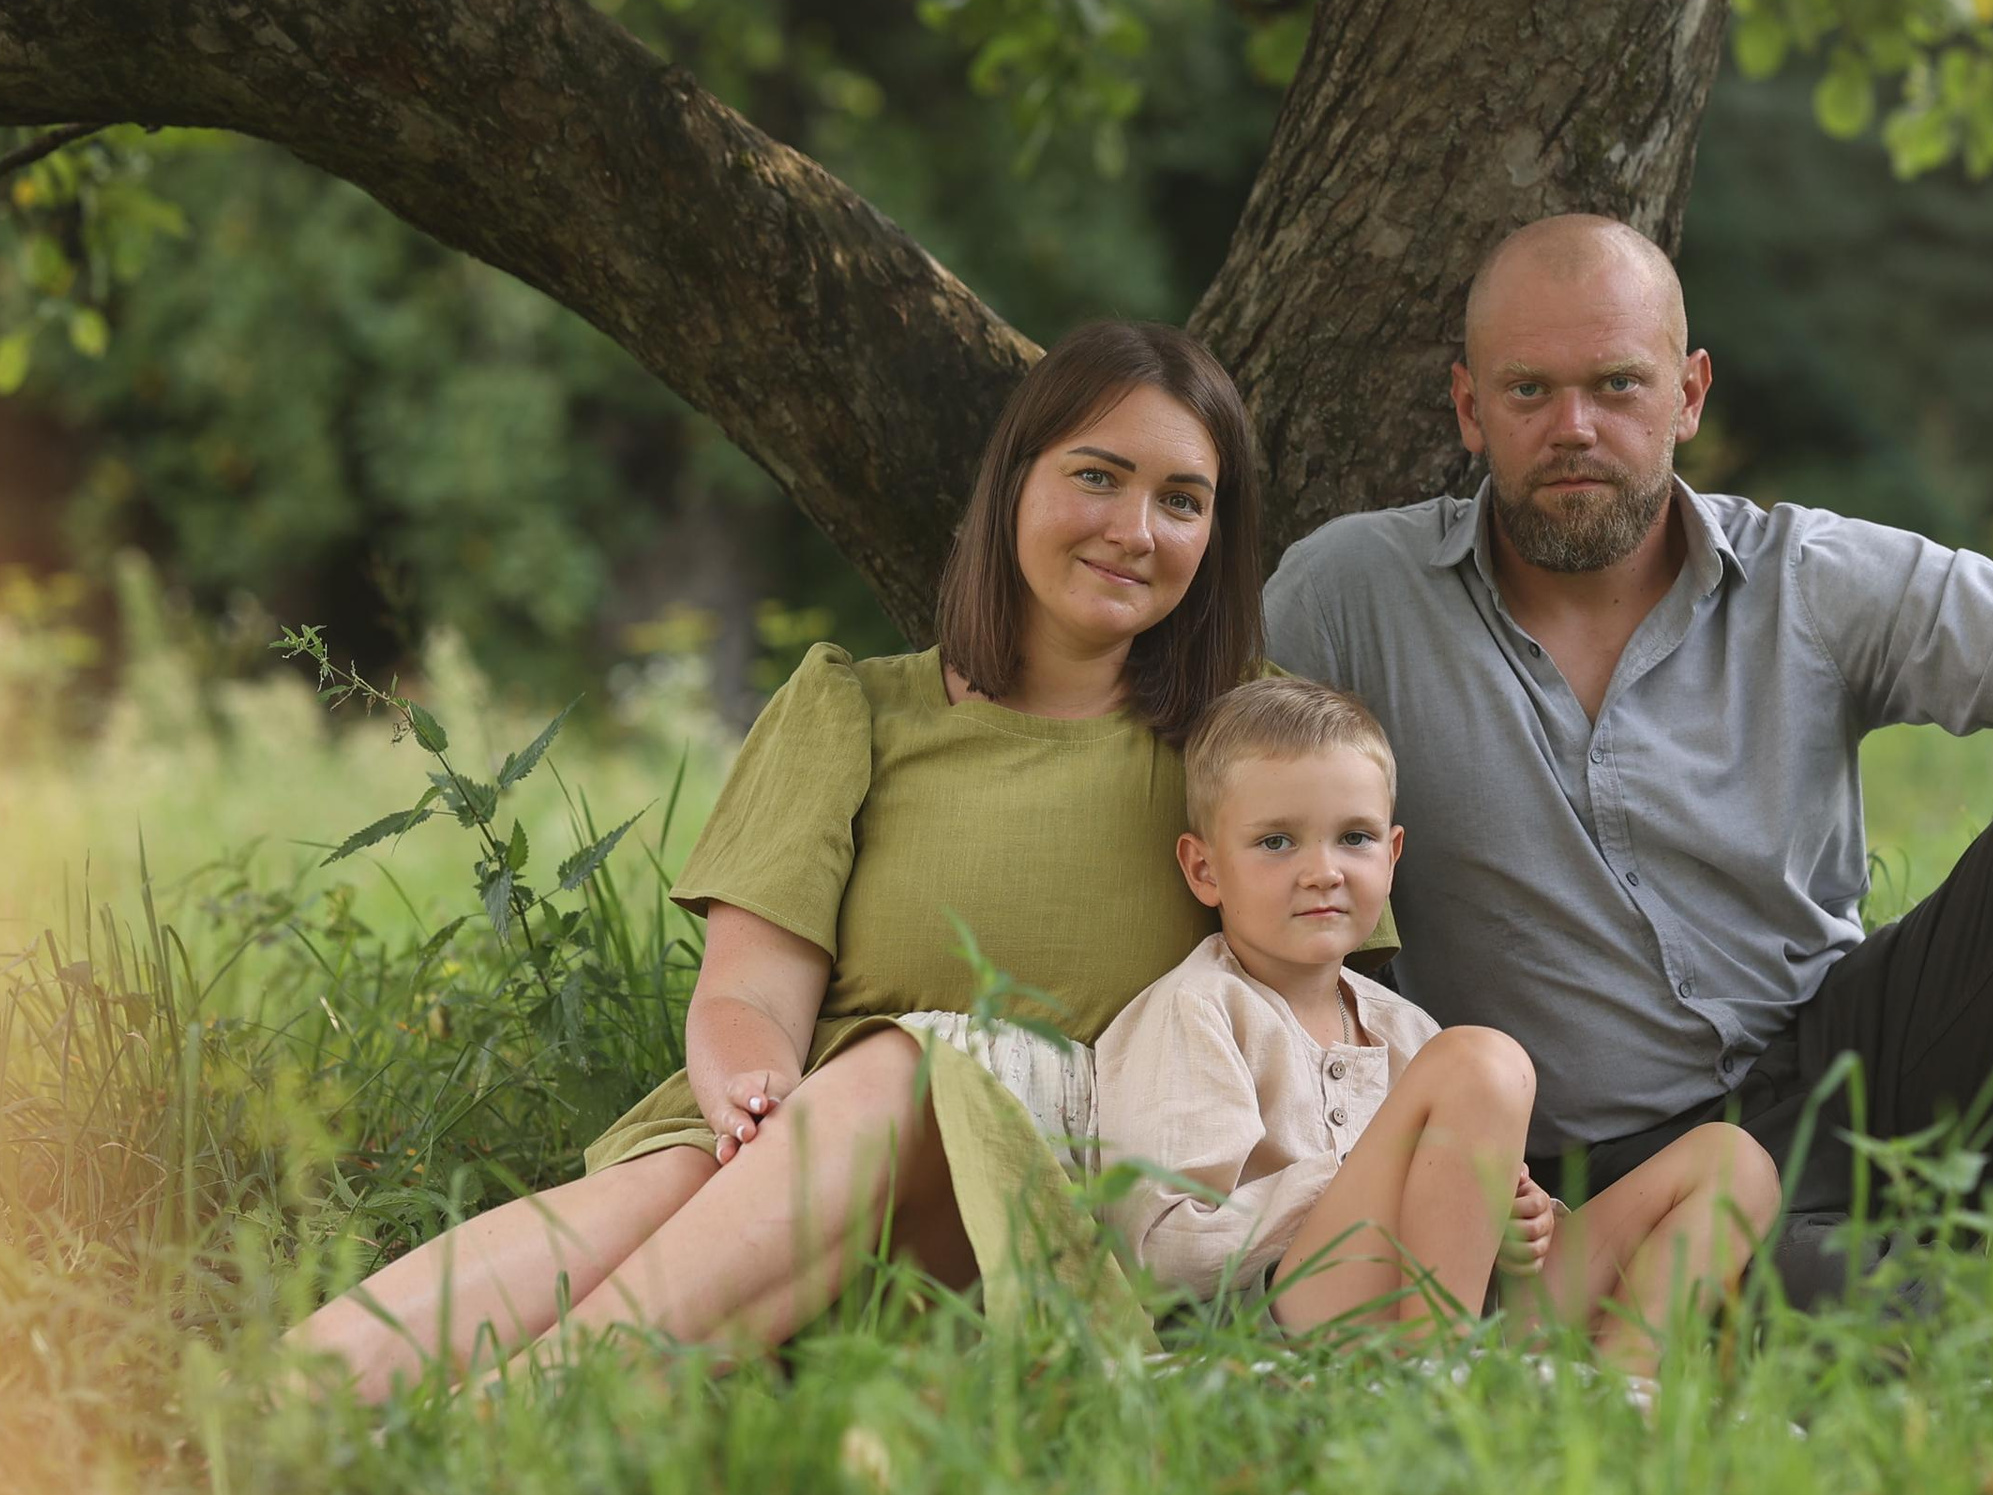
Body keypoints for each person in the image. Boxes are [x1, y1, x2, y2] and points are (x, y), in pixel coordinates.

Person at [1262, 214, 1993, 1301]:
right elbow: (1226, 819)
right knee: (1978, 1325)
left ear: (1688, 393)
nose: (1574, 427)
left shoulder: (1806, 578)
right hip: (1600, 1179)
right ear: (1468, 407)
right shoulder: (1350, 598)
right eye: (1527, 391)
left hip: (1862, 1067)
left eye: (1616, 385)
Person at [290, 320, 1269, 1398]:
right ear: (1014, 484)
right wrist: (754, 1093)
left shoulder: (1246, 751)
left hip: (1035, 1197)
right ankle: (276, 1409)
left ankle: (520, 1422)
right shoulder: (852, 709)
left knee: (914, 1063)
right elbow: (750, 989)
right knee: (658, 1190)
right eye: (1098, 476)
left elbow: (1318, 1012)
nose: (1135, 528)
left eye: (1182, 499)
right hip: (798, 1144)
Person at [1096, 677, 1779, 1369]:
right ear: (1205, 868)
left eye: (1353, 838)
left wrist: (1521, 1220)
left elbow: (1470, 1207)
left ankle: (1620, 1391)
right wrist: (1364, 1180)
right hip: (1283, 1335)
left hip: (1464, 1311)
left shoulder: (1404, 1028)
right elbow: (1163, 1249)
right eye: (1276, 843)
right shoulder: (1200, 1010)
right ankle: (1435, 1400)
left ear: (1391, 857)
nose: (1323, 871)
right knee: (1481, 1062)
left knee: (1734, 1164)